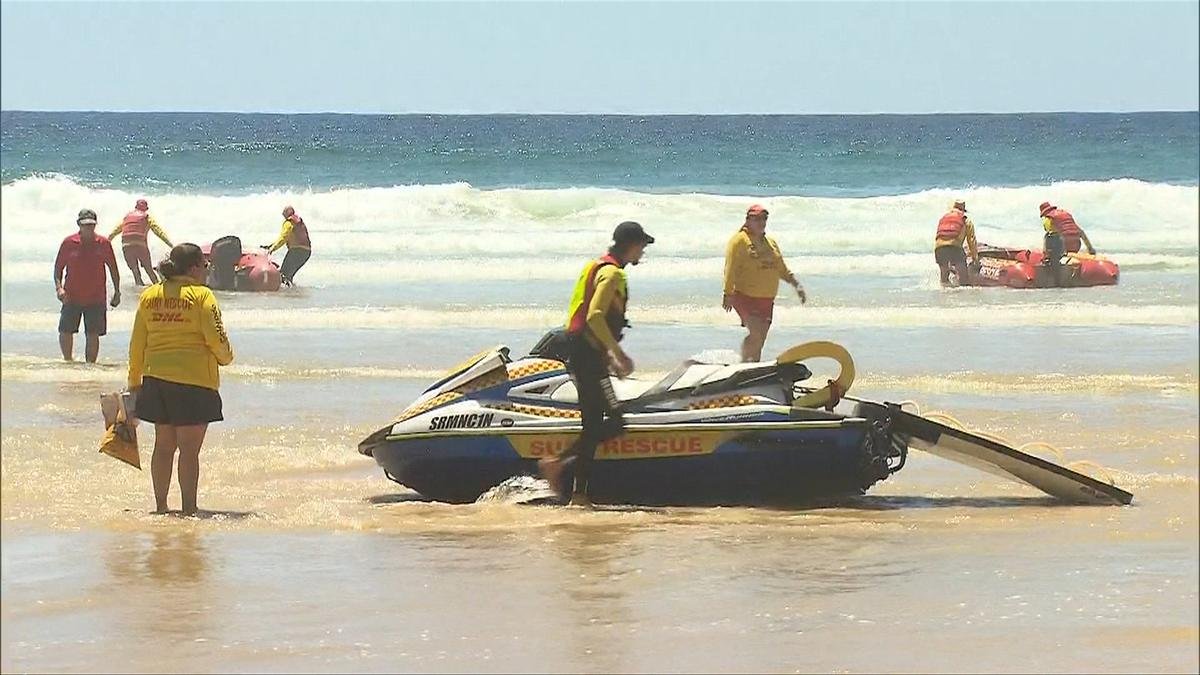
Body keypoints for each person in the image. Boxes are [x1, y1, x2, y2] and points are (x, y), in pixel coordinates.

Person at [538, 221, 654, 507]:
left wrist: (607, 356)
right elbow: (594, 316)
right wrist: (618, 353)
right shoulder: (612, 274)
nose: (643, 252)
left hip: (584, 353)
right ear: (631, 245)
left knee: (593, 424)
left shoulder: (596, 266)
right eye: (642, 246)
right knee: (613, 422)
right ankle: (557, 464)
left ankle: (579, 495)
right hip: (586, 356)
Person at [128, 244, 234, 516]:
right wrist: (226, 357)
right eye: (204, 266)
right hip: (194, 382)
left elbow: (137, 343)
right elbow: (216, 336)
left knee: (163, 447)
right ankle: (189, 509)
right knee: (189, 450)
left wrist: (134, 381)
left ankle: (161, 507)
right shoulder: (202, 296)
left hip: (156, 380)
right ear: (193, 268)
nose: (207, 271)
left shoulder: (150, 295)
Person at [722, 204, 806, 362]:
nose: (761, 222)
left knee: (760, 340)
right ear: (748, 220)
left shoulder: (771, 243)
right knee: (756, 334)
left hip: (766, 300)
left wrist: (797, 285)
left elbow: (782, 269)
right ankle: (743, 363)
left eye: (764, 219)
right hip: (745, 297)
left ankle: (752, 366)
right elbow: (730, 268)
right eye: (757, 219)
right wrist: (727, 293)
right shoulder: (738, 241)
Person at [54, 209, 121, 363]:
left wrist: (117, 292)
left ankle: (90, 367)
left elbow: (113, 268)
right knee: (65, 330)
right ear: (79, 224)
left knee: (92, 333)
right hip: (71, 295)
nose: (89, 228)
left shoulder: (104, 243)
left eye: (91, 225)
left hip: (96, 297)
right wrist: (59, 288)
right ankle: (68, 361)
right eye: (85, 225)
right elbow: (58, 268)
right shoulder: (69, 243)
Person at [109, 198, 174, 285]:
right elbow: (158, 231)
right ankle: (157, 286)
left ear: (136, 207)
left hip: (126, 245)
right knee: (149, 269)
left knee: (135, 271)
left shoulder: (126, 217)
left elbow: (115, 231)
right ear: (145, 208)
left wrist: (108, 240)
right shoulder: (146, 217)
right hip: (140, 245)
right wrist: (170, 244)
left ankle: (139, 289)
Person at [1039, 201, 1096, 287]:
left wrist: (1045, 254)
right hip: (1076, 244)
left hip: (1063, 245)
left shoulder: (1049, 218)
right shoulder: (1066, 215)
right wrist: (1090, 249)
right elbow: (1081, 232)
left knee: (1048, 235)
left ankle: (1050, 261)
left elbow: (1050, 233)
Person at [933, 199, 979, 287]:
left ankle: (944, 292)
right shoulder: (965, 220)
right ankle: (962, 293)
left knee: (944, 278)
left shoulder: (943, 218)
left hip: (939, 248)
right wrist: (975, 259)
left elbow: (940, 236)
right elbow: (971, 241)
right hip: (954, 248)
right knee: (964, 280)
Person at [264, 206, 312, 286]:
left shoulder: (289, 223)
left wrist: (273, 249)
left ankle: (284, 291)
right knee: (289, 275)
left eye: (284, 212)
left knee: (283, 274)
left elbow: (284, 237)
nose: (282, 214)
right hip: (306, 253)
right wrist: (271, 245)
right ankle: (292, 291)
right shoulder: (299, 222)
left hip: (297, 251)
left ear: (287, 213)